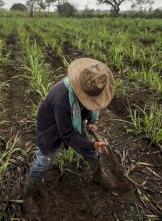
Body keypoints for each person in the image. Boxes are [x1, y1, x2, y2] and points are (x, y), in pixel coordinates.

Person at [23, 58, 115, 214]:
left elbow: (91, 106)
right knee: (43, 161)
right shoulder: (62, 98)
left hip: (74, 119)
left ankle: (98, 176)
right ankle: (28, 196)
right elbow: (67, 134)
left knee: (91, 153)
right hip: (51, 127)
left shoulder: (86, 88)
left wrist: (92, 121)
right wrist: (92, 144)